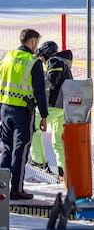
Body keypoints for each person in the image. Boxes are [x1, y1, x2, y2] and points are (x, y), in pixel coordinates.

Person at [0, 28, 48, 200]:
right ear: (33, 41)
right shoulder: (33, 61)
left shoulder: (7, 57)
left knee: (6, 148)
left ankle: (1, 188)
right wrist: (44, 115)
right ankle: (16, 189)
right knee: (20, 149)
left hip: (5, 108)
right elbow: (40, 92)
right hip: (23, 111)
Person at [29, 41, 73, 181]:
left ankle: (38, 160)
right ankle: (63, 172)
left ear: (46, 53)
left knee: (33, 126)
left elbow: (52, 81)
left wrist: (35, 84)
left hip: (54, 104)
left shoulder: (54, 61)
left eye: (41, 57)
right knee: (58, 140)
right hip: (64, 106)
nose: (41, 60)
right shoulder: (63, 62)